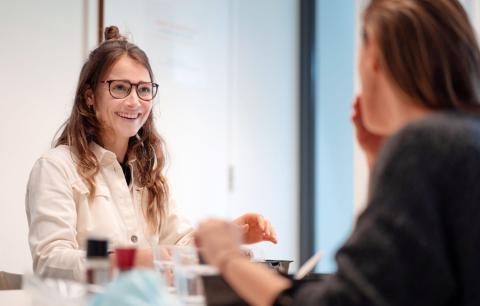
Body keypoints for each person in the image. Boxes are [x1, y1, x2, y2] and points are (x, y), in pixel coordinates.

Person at [195, 0, 480, 305]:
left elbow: (345, 302)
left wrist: (227, 256)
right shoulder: (463, 139)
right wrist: (378, 163)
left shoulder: (423, 146)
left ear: (374, 58)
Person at [25, 26, 277, 281]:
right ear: (90, 96)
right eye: (120, 88)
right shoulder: (56, 167)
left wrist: (230, 236)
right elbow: (50, 261)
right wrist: (129, 261)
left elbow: (179, 245)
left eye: (144, 90)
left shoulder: (149, 176)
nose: (135, 101)